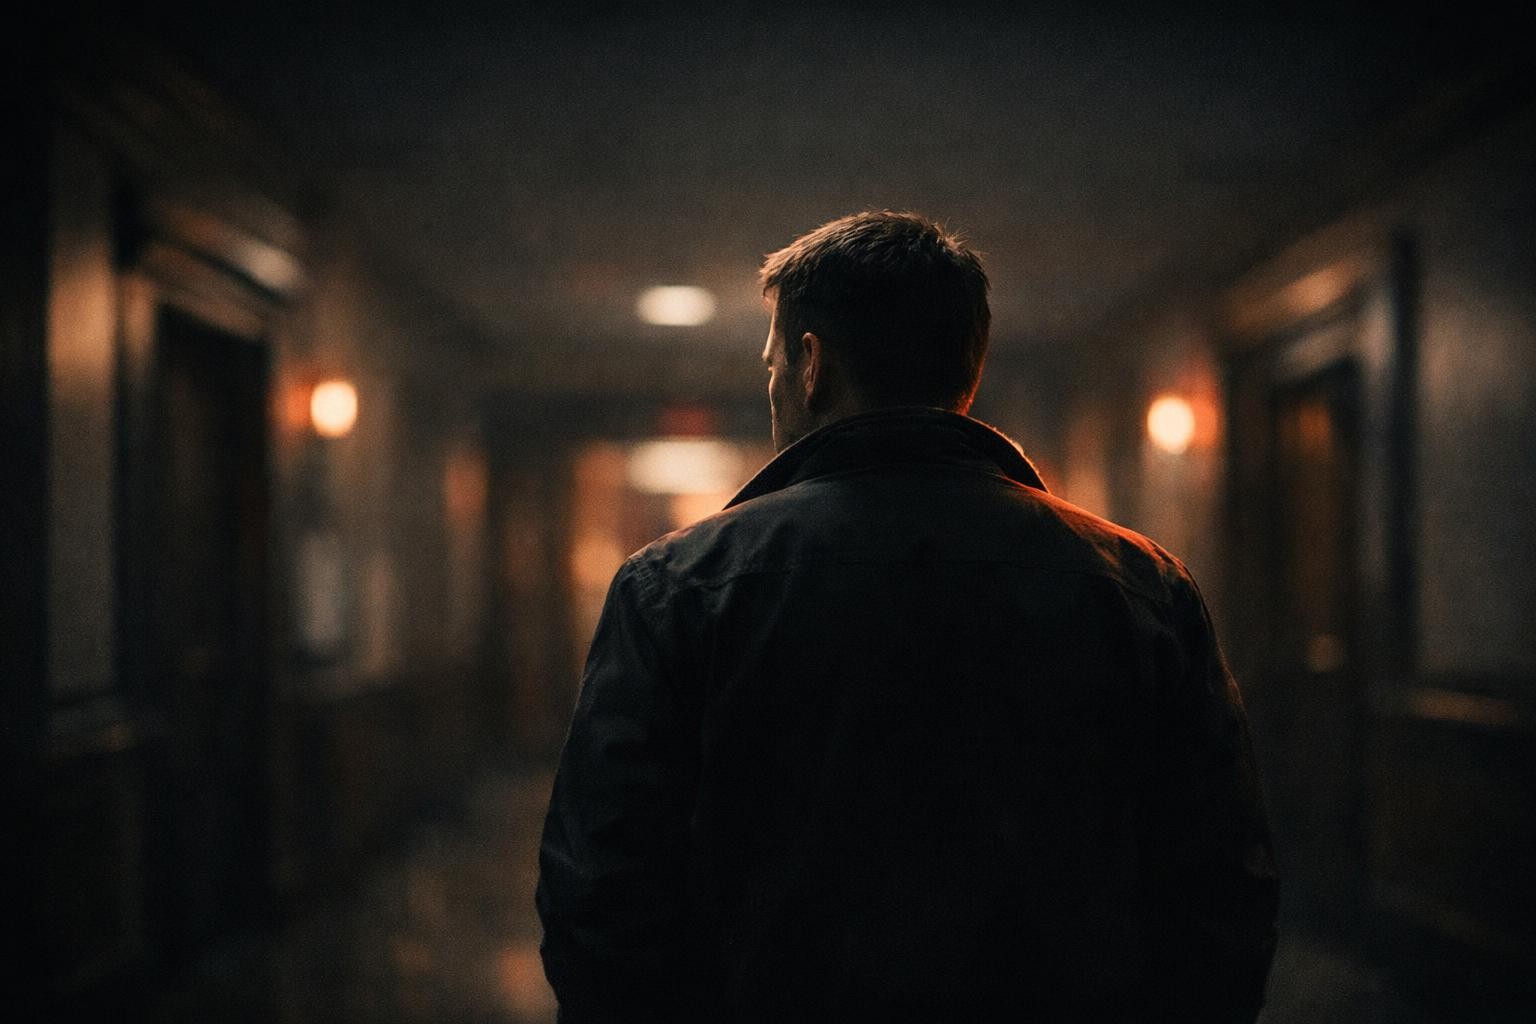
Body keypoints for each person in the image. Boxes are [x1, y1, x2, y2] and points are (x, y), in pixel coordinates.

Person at [536, 211, 1278, 1022]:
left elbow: (603, 895)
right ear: (967, 368)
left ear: (811, 365)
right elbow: (1218, 888)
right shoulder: (1139, 586)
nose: (775, 382)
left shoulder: (677, 588)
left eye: (773, 361)